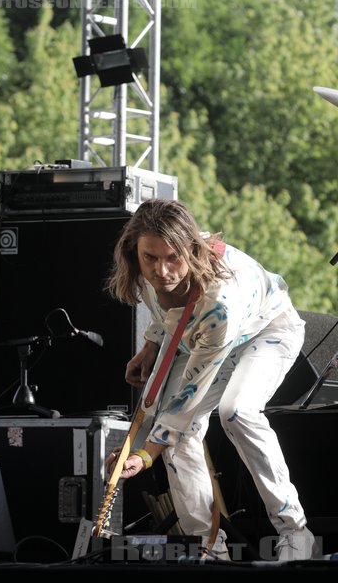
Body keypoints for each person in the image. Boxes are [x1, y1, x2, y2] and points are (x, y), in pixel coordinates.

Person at [105, 198, 316, 561]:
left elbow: (186, 400)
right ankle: (206, 548)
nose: (162, 271)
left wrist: (145, 454)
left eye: (173, 258)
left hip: (265, 330)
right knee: (179, 436)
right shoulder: (151, 268)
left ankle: (295, 531)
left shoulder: (221, 302)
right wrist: (151, 346)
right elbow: (167, 310)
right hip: (201, 336)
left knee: (236, 411)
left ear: (191, 249)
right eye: (150, 259)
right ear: (134, 253)